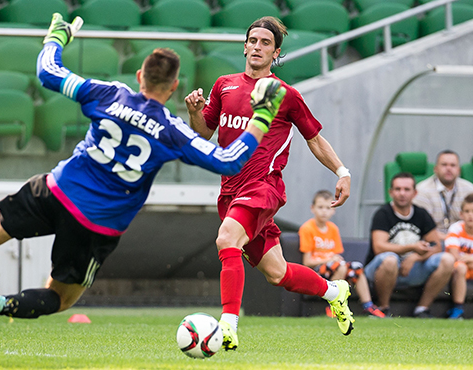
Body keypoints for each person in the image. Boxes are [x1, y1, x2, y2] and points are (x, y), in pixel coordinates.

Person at [0, 13, 287, 333]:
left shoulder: (107, 93)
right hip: (96, 223)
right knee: (61, 298)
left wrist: (56, 37)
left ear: (139, 77)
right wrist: (263, 115)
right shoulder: (171, 129)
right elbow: (228, 161)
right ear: (174, 86)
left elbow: (48, 72)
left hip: (57, 188)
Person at [184, 16, 354, 350]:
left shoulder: (285, 94)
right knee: (278, 274)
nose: (258, 47)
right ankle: (336, 291)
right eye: (253, 41)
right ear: (244, 46)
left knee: (226, 239)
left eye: (265, 43)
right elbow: (204, 131)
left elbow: (315, 139)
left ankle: (227, 328)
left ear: (275, 53)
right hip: (230, 191)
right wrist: (194, 111)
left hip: (264, 187)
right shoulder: (224, 85)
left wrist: (343, 172)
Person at [365, 172, 455, 318]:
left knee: (447, 259)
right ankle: (383, 308)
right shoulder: (383, 213)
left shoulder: (421, 214)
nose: (402, 193)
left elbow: (436, 246)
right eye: (398, 189)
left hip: (413, 268)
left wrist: (414, 258)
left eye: (407, 189)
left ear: (415, 193)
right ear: (391, 192)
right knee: (390, 260)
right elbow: (379, 247)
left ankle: (422, 309)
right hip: (381, 270)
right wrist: (411, 248)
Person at [299, 190, 385, 318]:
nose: (324, 211)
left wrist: (335, 261)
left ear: (333, 210)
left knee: (357, 267)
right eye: (320, 207)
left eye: (328, 208)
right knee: (340, 266)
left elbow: (337, 255)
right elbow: (307, 262)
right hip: (316, 271)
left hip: (335, 269)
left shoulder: (333, 229)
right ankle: (333, 305)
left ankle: (368, 306)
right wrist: (328, 259)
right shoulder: (307, 228)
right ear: (313, 208)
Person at [413, 150, 473, 241]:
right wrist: (452, 239)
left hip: (466, 240)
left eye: (453, 165)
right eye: (444, 165)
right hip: (435, 242)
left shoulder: (469, 189)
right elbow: (422, 228)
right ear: (435, 169)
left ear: (459, 170)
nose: (448, 168)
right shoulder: (422, 190)